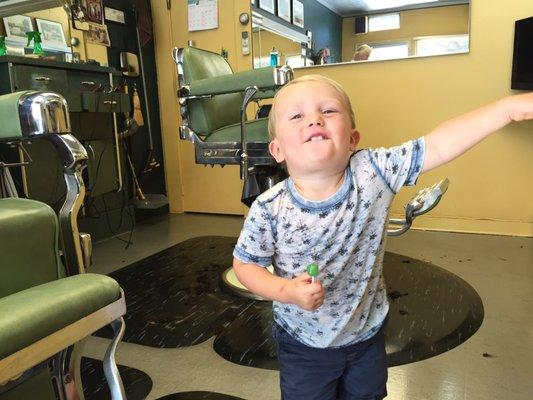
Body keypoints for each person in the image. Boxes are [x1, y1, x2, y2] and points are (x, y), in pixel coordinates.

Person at [232, 74, 533, 400]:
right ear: (277, 150)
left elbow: (439, 144)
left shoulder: (373, 171)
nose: (315, 119)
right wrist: (285, 290)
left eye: (329, 111)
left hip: (366, 337)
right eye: (297, 116)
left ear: (352, 139)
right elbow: (246, 266)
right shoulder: (269, 209)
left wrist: (506, 110)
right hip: (304, 344)